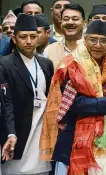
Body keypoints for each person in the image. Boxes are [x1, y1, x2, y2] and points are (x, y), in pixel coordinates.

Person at [40, 20, 106, 175]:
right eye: (93, 39)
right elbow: (76, 104)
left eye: (103, 40)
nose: (98, 45)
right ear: (85, 39)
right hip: (74, 138)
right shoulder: (72, 64)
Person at [0, 13, 54, 175]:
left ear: (38, 37)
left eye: (33, 36)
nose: (29, 41)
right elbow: (6, 103)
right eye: (23, 37)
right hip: (18, 130)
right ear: (14, 39)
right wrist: (10, 132)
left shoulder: (46, 64)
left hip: (41, 131)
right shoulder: (5, 64)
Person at [44, 3, 85, 69]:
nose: (70, 22)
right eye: (66, 19)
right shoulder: (49, 50)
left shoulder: (92, 48)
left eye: (75, 19)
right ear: (61, 23)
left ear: (84, 24)